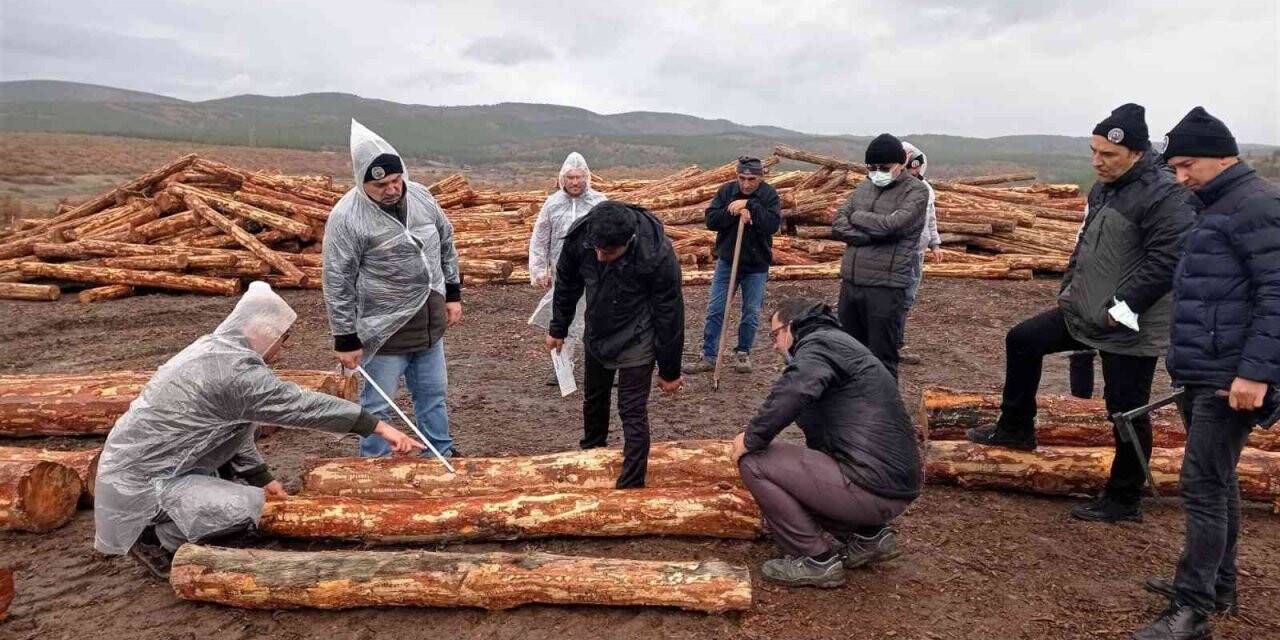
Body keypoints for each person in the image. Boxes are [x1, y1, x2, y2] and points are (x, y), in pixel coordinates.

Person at [94, 282, 424, 579]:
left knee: (247, 500)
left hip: (156, 469)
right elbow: (300, 405)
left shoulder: (217, 350)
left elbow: (230, 431)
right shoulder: (233, 373)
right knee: (243, 509)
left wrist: (262, 477)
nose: (284, 347)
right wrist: (378, 427)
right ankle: (153, 537)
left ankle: (173, 521)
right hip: (142, 486)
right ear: (262, 333)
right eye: (284, 338)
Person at [967, 104, 1195, 523]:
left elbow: (1168, 260)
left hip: (1129, 323)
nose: (1097, 162)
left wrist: (1122, 308)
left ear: (1137, 153)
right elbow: (1085, 242)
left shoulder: (1165, 195)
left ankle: (1124, 498)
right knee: (1023, 340)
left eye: (1108, 155)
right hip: (1085, 310)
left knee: (1124, 409)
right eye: (1094, 152)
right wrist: (1068, 288)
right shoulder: (1104, 188)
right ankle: (1016, 429)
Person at [1132, 107, 1280, 640]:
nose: (1180, 177)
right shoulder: (1214, 206)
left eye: (1187, 165)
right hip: (1205, 369)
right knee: (1218, 480)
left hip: (1230, 375)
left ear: (1223, 157)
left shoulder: (1257, 206)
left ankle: (1191, 609)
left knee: (1201, 485)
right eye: (1174, 168)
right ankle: (1219, 586)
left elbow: (1277, 293)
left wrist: (1256, 373)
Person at [731, 298, 921, 588]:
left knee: (754, 462)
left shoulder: (819, 345)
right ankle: (869, 537)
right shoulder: (840, 344)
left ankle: (816, 560)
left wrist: (751, 438)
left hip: (872, 485)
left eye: (774, 335)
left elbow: (794, 391)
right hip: (891, 485)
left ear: (791, 327)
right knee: (799, 469)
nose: (774, 346)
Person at [322, 119, 463, 458]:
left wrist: (453, 293)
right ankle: (375, 465)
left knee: (433, 396)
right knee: (378, 407)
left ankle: (439, 453)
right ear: (362, 182)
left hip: (429, 325)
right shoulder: (347, 217)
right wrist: (345, 338)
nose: (392, 189)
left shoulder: (421, 197)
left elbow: (446, 242)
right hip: (384, 333)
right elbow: (337, 279)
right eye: (381, 184)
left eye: (397, 180)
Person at [547, 200, 685, 488]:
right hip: (598, 330)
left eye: (608, 252)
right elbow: (567, 283)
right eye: (596, 249)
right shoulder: (581, 237)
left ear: (629, 240)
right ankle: (592, 455)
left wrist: (669, 370)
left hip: (638, 335)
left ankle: (632, 484)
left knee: (631, 409)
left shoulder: (656, 253)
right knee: (594, 399)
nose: (599, 257)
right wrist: (558, 327)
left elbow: (669, 312)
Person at [831, 133, 930, 379]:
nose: (877, 173)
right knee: (849, 354)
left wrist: (857, 217)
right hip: (851, 283)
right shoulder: (864, 187)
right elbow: (838, 223)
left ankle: (884, 403)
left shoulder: (916, 191)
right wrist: (871, 234)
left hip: (886, 286)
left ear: (900, 164)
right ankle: (853, 402)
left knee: (882, 358)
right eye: (871, 168)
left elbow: (893, 225)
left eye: (884, 168)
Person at [683, 156, 782, 375]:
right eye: (742, 178)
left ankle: (743, 352)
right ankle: (709, 355)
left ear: (760, 177)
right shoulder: (726, 191)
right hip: (728, 261)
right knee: (716, 309)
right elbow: (711, 220)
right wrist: (733, 211)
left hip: (756, 264)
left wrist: (750, 206)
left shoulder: (769, 195)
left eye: (751, 179)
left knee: (751, 312)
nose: (746, 184)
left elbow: (772, 225)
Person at [528, 152, 607, 385]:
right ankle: (562, 369)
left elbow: (613, 236)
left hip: (596, 272)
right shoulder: (552, 204)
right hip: (563, 274)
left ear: (587, 178)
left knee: (600, 317)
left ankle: (606, 366)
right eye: (570, 177)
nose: (574, 182)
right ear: (563, 179)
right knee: (564, 318)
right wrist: (539, 269)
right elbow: (540, 238)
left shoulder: (599, 203)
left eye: (579, 177)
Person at [898, 142, 941, 365]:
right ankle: (890, 344)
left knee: (907, 298)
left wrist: (935, 243)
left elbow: (930, 218)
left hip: (918, 251)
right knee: (896, 297)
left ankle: (895, 342)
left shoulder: (926, 189)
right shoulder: (897, 188)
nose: (914, 172)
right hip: (900, 251)